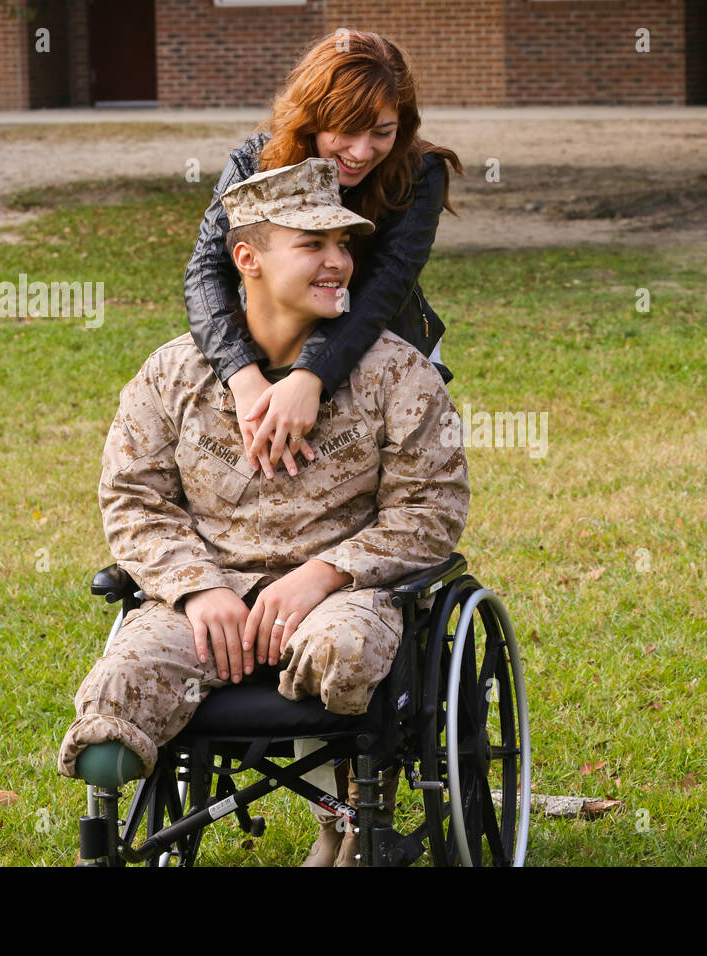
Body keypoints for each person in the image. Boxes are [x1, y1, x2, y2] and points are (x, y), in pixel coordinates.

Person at [58, 157, 470, 868]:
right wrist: (197, 587)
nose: (339, 261)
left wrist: (326, 574)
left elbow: (432, 508)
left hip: (341, 595)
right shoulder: (171, 374)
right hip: (204, 602)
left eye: (344, 245)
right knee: (112, 702)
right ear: (246, 258)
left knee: (343, 653)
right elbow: (134, 501)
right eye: (313, 246)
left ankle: (345, 816)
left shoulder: (397, 373)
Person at [185, 29, 462, 485]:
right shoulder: (256, 161)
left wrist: (309, 376)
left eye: (382, 132)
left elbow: (385, 284)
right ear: (312, 117)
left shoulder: (418, 172)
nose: (361, 151)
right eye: (346, 130)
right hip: (271, 342)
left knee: (404, 484)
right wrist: (243, 374)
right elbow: (206, 269)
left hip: (381, 331)